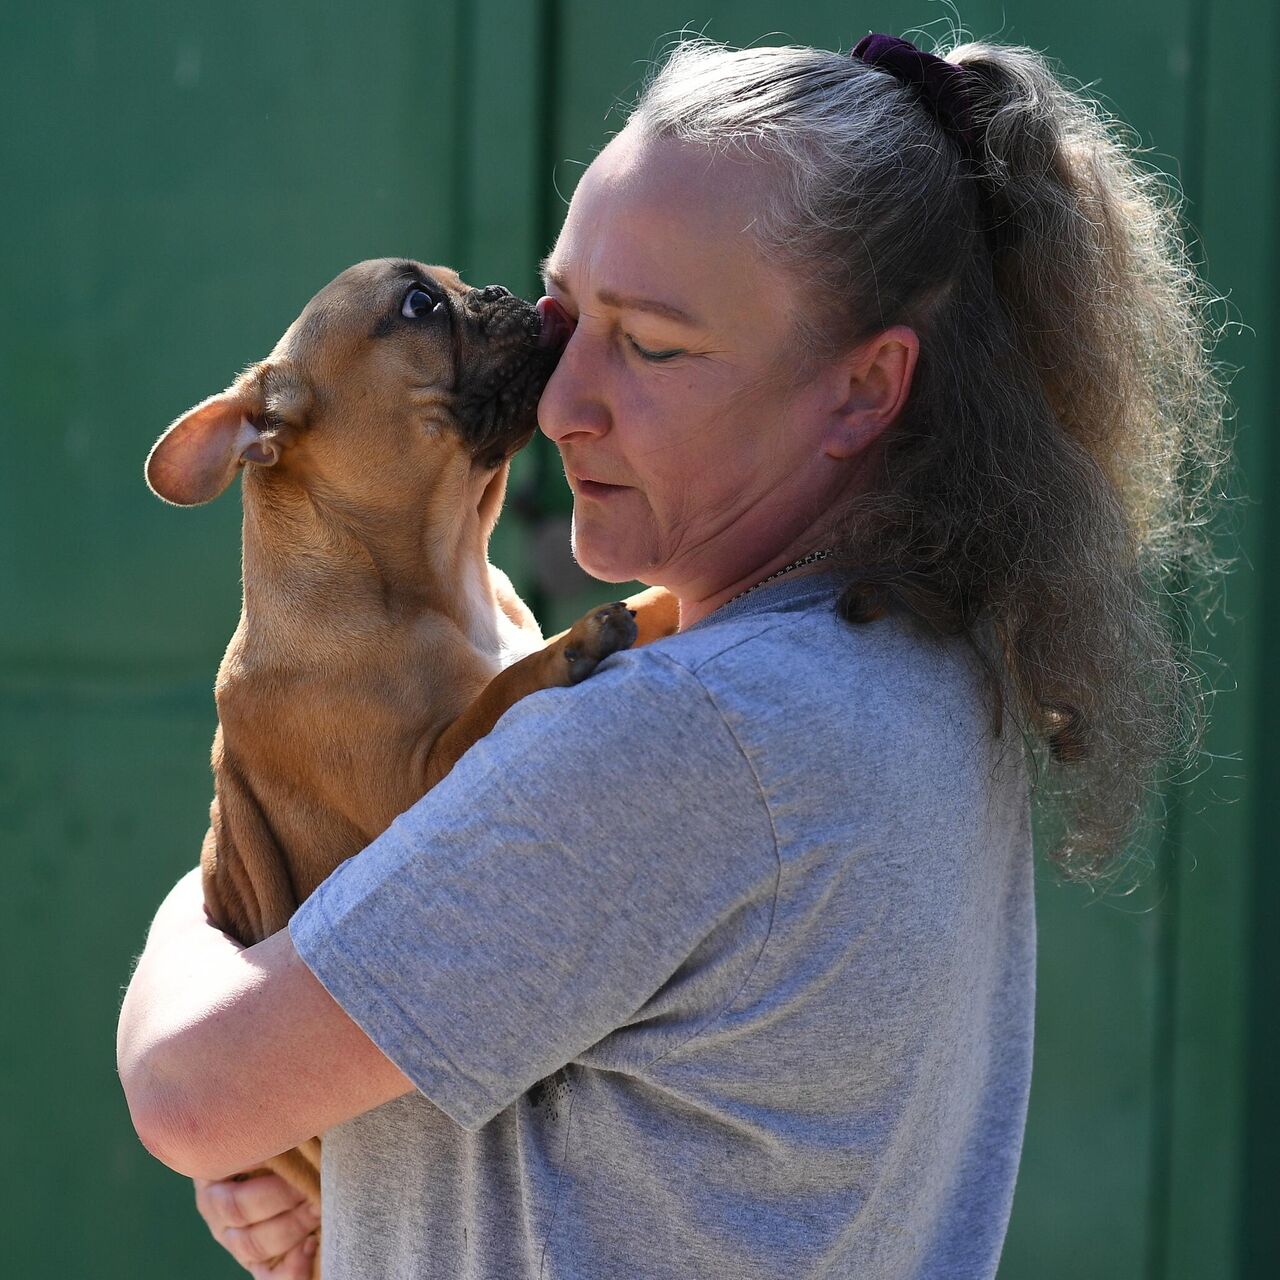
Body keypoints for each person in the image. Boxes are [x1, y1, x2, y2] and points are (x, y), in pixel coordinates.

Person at [117, 32, 1227, 1280]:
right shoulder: (915, 665)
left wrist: (201, 918)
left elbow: (190, 1093)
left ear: (862, 389)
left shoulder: (693, 737)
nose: (558, 401)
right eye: (566, 312)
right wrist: (364, 1203)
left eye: (651, 346)